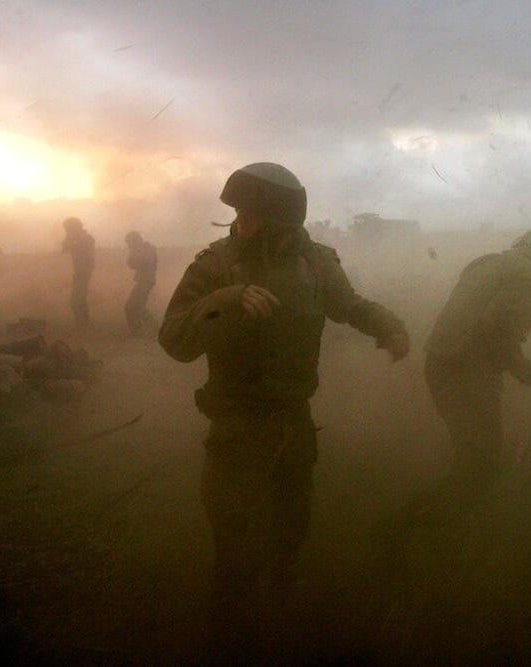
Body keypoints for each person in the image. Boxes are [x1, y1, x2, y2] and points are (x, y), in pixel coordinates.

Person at [157, 162, 410, 658]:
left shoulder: (315, 262)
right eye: (236, 213)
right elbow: (173, 338)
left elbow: (348, 305)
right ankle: (229, 636)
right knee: (231, 540)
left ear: (280, 222)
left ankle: (283, 609)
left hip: (292, 417)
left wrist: (388, 325)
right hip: (234, 423)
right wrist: (227, 301)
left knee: (292, 522)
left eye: (248, 213)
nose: (237, 223)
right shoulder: (214, 265)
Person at [383, 226, 531, 544]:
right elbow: (496, 330)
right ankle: (418, 530)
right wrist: (521, 367)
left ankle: (423, 525)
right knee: (482, 462)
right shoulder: (530, 277)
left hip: (442, 364)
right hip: (469, 371)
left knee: (472, 456)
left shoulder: (489, 264)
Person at [61, 217, 95, 327]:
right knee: (78, 299)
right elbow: (65, 249)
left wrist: (71, 238)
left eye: (68, 229)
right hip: (80, 271)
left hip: (83, 271)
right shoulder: (80, 238)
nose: (66, 231)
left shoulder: (84, 238)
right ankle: (83, 323)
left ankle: (83, 323)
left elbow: (67, 248)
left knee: (76, 300)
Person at [123, 231, 158, 335]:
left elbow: (138, 263)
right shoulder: (143, 249)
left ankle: (139, 330)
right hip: (144, 280)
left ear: (135, 240)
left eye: (129, 242)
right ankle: (150, 329)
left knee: (132, 306)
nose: (129, 245)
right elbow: (131, 263)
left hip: (146, 281)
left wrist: (135, 253)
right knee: (137, 306)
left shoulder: (147, 249)